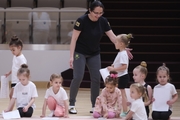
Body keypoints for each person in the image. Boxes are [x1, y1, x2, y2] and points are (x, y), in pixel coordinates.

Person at [69, 0, 133, 114]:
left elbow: (113, 37)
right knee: (78, 77)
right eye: (96, 13)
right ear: (90, 10)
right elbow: (73, 39)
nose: (98, 15)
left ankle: (95, 105)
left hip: (94, 53)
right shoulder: (81, 21)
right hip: (80, 52)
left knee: (96, 79)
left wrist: (123, 48)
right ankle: (71, 104)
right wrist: (71, 56)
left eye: (100, 13)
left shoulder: (103, 21)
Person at [107, 33, 133, 117]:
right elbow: (118, 64)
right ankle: (121, 109)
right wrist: (113, 67)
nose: (115, 43)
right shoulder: (121, 53)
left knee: (122, 94)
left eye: (116, 42)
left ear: (121, 44)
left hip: (122, 76)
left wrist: (114, 69)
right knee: (120, 94)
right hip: (120, 76)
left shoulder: (123, 54)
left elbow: (124, 66)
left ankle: (125, 111)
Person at [5, 35, 27, 110]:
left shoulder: (21, 59)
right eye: (11, 50)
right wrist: (9, 72)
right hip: (14, 80)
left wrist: (22, 80)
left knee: (12, 95)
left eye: (13, 50)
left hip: (18, 81)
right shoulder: (15, 57)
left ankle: (10, 110)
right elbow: (15, 67)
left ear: (19, 48)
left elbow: (24, 70)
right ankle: (12, 109)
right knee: (13, 96)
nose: (12, 52)